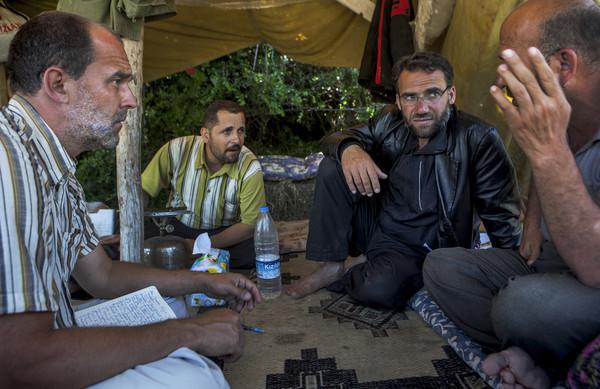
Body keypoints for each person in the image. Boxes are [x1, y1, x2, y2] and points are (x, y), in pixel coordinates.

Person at [0, 11, 261, 388]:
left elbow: (102, 276)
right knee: (195, 377)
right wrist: (189, 333)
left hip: (53, 330)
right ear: (58, 84)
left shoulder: (51, 162)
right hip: (31, 362)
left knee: (176, 306)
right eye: (117, 81)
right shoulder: (10, 165)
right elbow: (20, 364)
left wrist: (201, 282)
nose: (131, 100)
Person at [422, 1, 600, 386]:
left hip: (595, 273)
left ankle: (548, 356)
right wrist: (533, 221)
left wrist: (548, 149)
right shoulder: (563, 110)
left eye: (511, 65)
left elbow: (595, 268)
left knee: (521, 306)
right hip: (554, 263)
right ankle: (540, 351)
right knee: (442, 268)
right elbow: (543, 170)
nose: (501, 83)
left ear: (563, 66)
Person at [285, 51, 521, 310]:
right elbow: (335, 138)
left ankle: (355, 268)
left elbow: (502, 218)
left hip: (422, 247)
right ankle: (332, 265)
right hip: (377, 225)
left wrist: (514, 279)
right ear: (399, 100)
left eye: (432, 94)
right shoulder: (389, 121)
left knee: (377, 290)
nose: (422, 108)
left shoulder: (478, 139)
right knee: (333, 166)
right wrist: (350, 149)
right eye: (410, 97)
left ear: (450, 95)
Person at [142, 100, 265, 269]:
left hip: (223, 233)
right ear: (206, 135)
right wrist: (131, 228)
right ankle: (201, 261)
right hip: (178, 228)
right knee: (139, 240)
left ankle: (184, 260)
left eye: (241, 131)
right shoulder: (176, 150)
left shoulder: (250, 167)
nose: (236, 139)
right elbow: (142, 191)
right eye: (227, 131)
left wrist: (201, 246)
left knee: (255, 250)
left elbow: (250, 224)